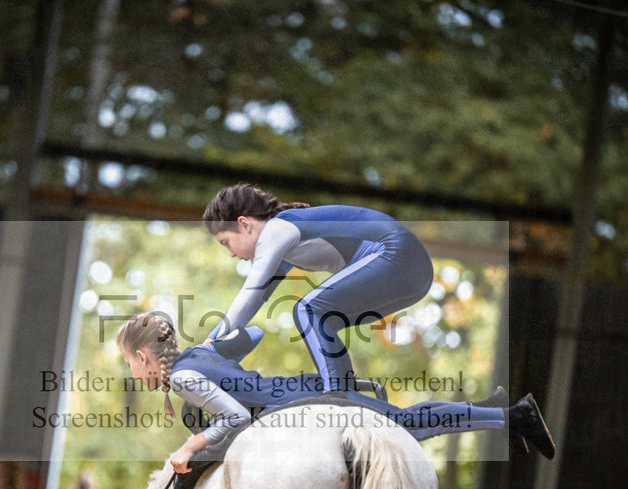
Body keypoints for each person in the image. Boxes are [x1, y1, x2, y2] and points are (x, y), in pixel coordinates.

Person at [116, 311, 555, 474]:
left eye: (130, 365)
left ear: (141, 355)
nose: (134, 375)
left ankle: (511, 416)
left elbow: (235, 419)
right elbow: (251, 333)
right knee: (405, 422)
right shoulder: (199, 353)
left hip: (302, 407)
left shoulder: (183, 378)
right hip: (296, 392)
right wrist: (219, 341)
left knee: (406, 427)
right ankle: (493, 411)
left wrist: (190, 447)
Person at [202, 183, 434, 395]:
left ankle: (338, 394)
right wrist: (214, 343)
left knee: (308, 310)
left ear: (244, 224)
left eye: (226, 242)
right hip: (416, 274)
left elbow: (250, 291)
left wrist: (207, 346)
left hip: (398, 254)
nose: (231, 253)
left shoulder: (277, 229)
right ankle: (344, 390)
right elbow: (256, 301)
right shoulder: (285, 244)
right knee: (323, 320)